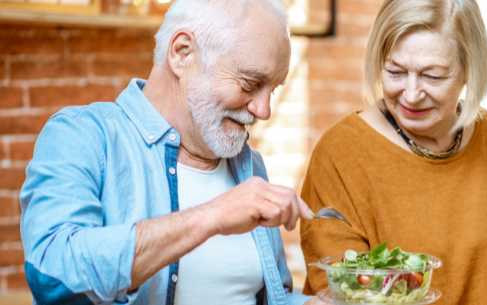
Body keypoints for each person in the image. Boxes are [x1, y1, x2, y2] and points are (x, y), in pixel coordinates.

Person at [19, 1, 318, 304]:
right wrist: (212, 215)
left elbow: (268, 296)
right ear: (182, 53)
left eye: (273, 90)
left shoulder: (248, 164)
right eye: (250, 84)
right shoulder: (83, 135)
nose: (264, 110)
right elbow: (52, 277)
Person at [298, 0, 487, 304]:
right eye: (395, 71)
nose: (411, 94)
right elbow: (344, 294)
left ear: (470, 70)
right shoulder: (341, 154)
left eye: (433, 76)